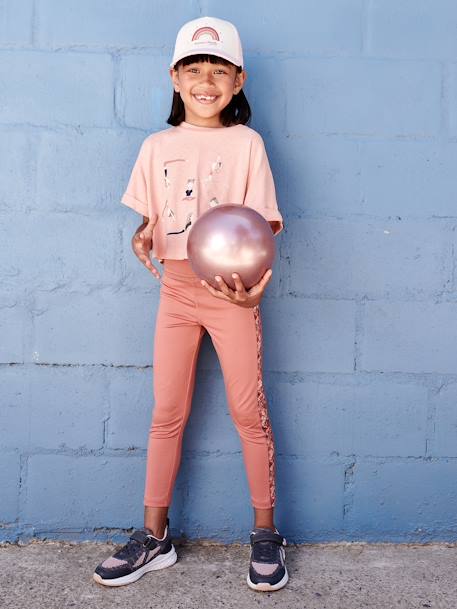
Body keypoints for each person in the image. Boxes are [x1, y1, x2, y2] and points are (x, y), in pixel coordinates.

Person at [93, 16, 287, 592]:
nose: (207, 81)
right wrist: (141, 233)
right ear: (175, 78)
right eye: (194, 69)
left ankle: (266, 533)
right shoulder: (157, 147)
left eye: (219, 70)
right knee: (166, 413)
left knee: (247, 412)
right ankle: (155, 537)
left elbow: (262, 231)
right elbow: (151, 220)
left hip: (231, 295)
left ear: (239, 80)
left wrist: (258, 288)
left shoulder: (248, 144)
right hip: (176, 292)